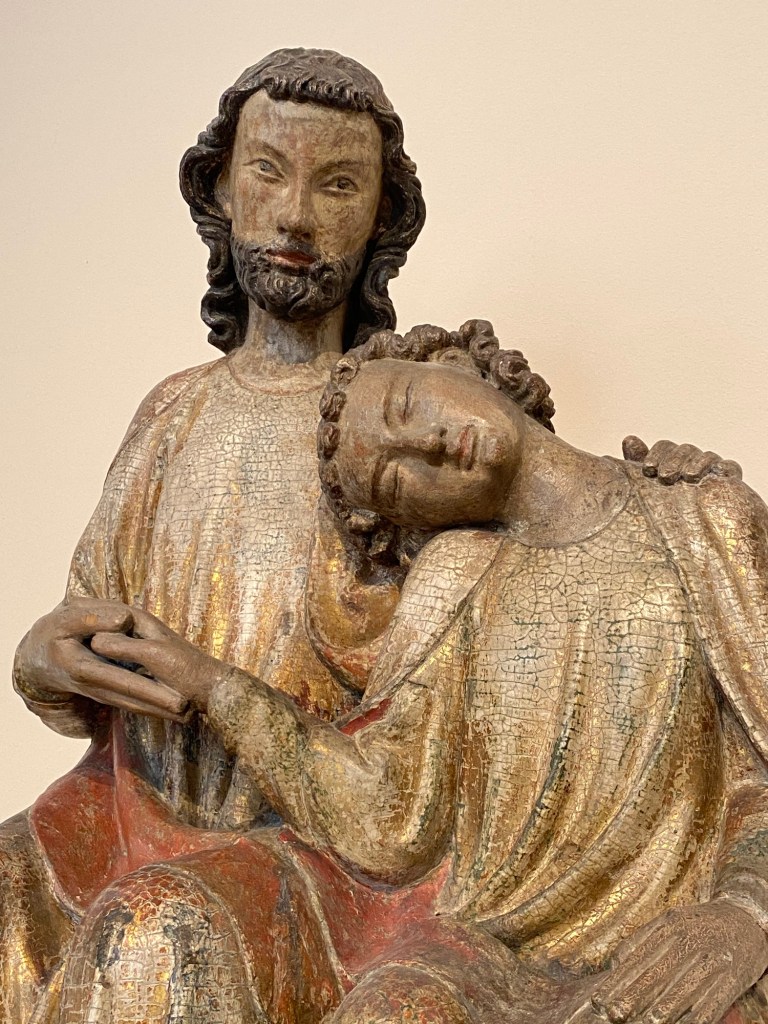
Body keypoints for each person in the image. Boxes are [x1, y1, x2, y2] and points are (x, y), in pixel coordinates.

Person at [0, 47, 738, 1021]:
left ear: (383, 214)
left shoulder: (402, 438)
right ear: (220, 188)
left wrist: (667, 486)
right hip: (129, 799)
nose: (297, 216)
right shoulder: (171, 415)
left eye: (338, 184)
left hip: (305, 846)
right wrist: (46, 662)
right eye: (268, 171)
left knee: (160, 935)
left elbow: (534, 567)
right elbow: (98, 639)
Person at [66, 324, 768, 1023]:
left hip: (658, 949)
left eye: (405, 403)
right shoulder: (451, 578)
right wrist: (210, 684)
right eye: (394, 478)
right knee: (391, 1011)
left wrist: (745, 912)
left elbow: (756, 775)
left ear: (455, 362)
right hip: (476, 956)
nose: (427, 444)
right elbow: (389, 816)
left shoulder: (703, 519)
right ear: (404, 522)